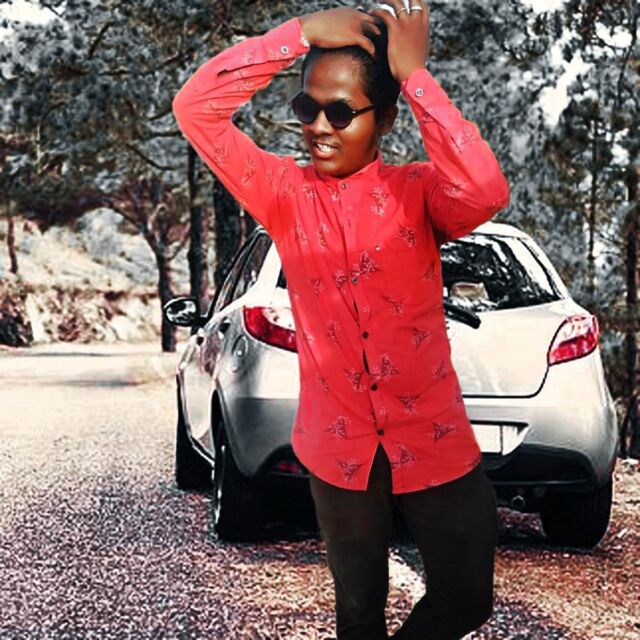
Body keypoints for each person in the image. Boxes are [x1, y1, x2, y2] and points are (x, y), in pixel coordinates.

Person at [173, 1, 507, 638]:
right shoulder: (284, 194)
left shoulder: (419, 193)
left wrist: (414, 78)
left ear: (384, 119)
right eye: (307, 108)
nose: (319, 128)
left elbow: (485, 189)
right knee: (358, 616)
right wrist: (295, 36)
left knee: (467, 600)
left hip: (433, 437)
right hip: (338, 446)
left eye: (341, 112)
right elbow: (196, 109)